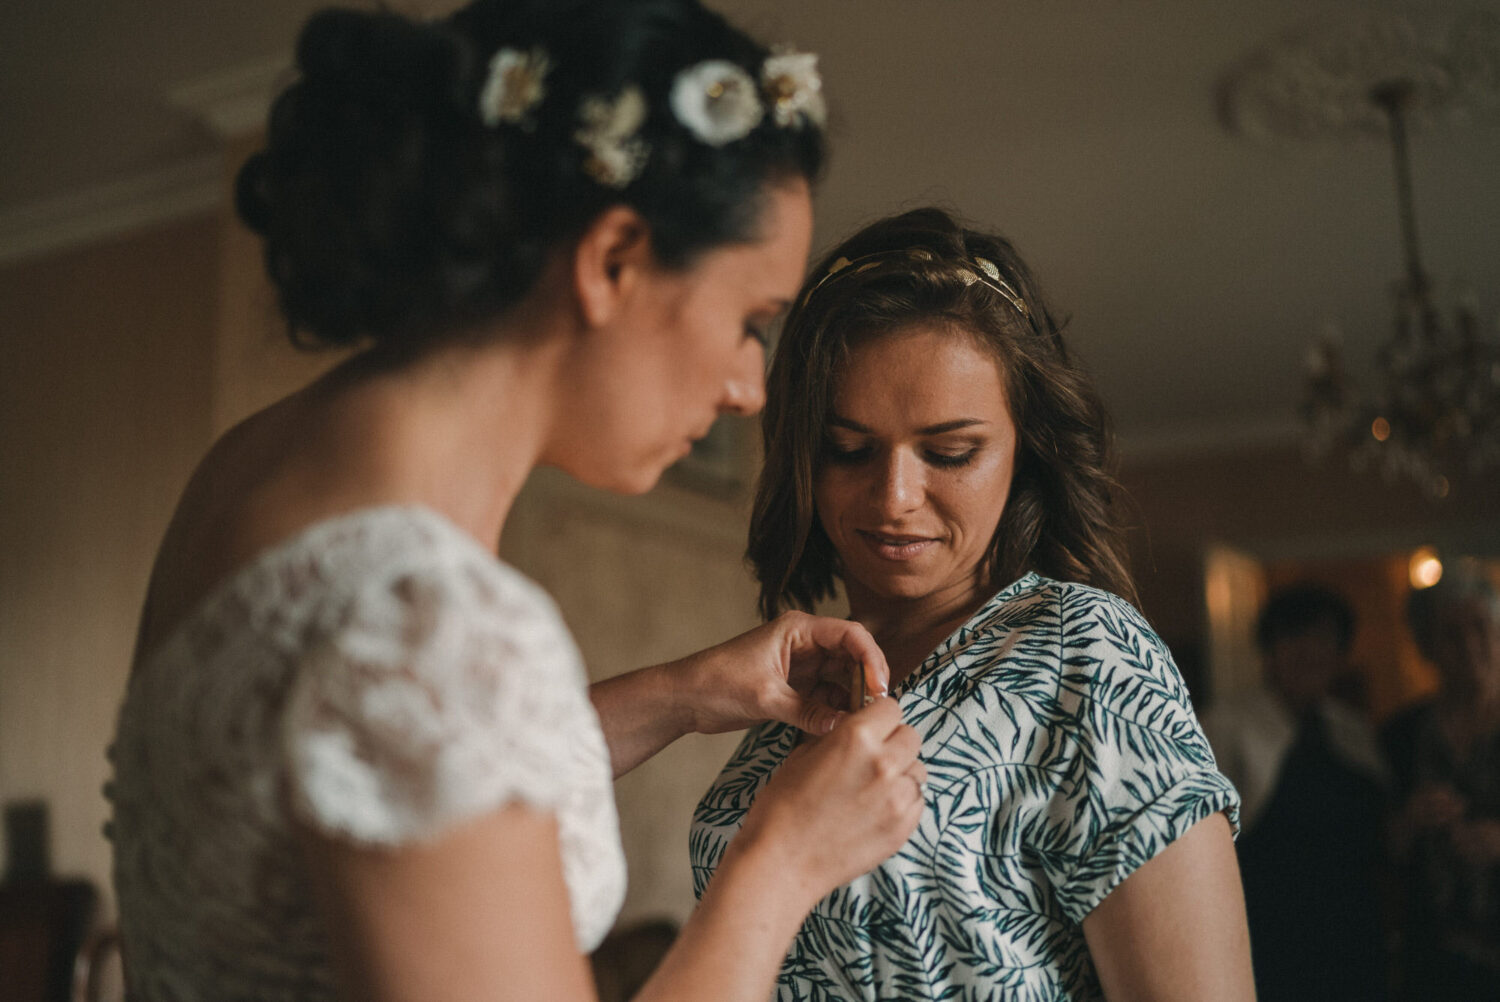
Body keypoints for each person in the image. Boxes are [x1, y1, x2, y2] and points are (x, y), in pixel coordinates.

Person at [105, 3, 928, 1000]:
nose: (750, 388)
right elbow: (430, 705)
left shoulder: (253, 470)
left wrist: (690, 693)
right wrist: (785, 861)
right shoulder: (438, 621)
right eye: (751, 319)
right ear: (613, 259)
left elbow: (401, 781)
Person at [690, 207, 1253, 1000]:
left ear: (1027, 450)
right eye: (847, 449)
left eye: (950, 453)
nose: (894, 497)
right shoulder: (795, 684)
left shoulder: (1086, 656)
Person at [1204, 583, 1389, 1001]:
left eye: (1324, 637)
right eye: (1294, 636)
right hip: (1271, 938)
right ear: (1270, 649)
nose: (1310, 650)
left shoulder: (1353, 730)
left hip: (1353, 936)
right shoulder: (1228, 726)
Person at [1381, 561, 1500, 1000]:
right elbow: (1380, 848)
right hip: (1432, 960)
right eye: (1451, 633)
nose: (1469, 644)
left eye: (1480, 627)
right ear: (1427, 646)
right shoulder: (1401, 735)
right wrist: (1410, 820)